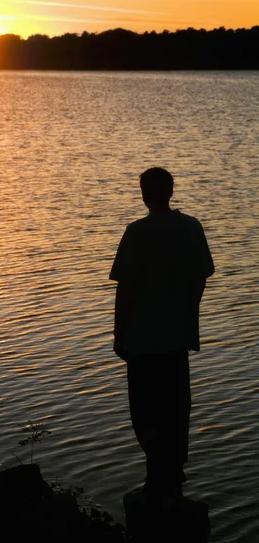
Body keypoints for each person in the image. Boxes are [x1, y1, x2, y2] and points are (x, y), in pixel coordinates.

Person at [109, 167, 214, 500]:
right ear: (171, 191)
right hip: (176, 336)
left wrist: (118, 333)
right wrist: (186, 311)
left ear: (143, 194)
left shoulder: (136, 232)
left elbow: (124, 290)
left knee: (145, 409)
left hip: (141, 339)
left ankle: (156, 473)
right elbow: (201, 277)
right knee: (176, 406)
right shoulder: (191, 227)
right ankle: (173, 474)